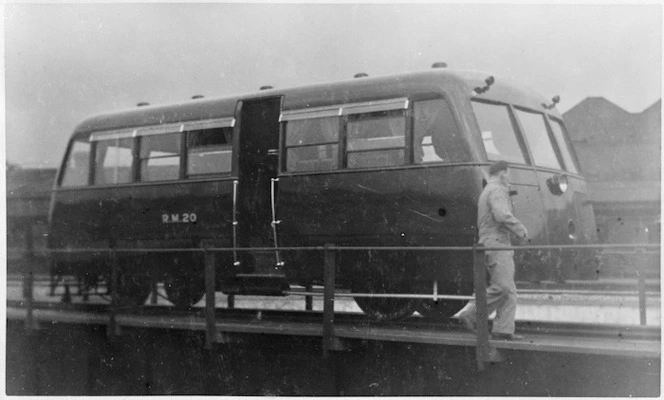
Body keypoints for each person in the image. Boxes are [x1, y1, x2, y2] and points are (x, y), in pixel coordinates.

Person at [457, 160, 529, 341]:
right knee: (504, 287)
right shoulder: (497, 189)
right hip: (497, 243)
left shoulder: (488, 190)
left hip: (494, 242)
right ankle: (472, 314)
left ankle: (503, 330)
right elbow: (501, 214)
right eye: (508, 173)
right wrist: (521, 230)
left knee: (509, 290)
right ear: (502, 173)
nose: (509, 178)